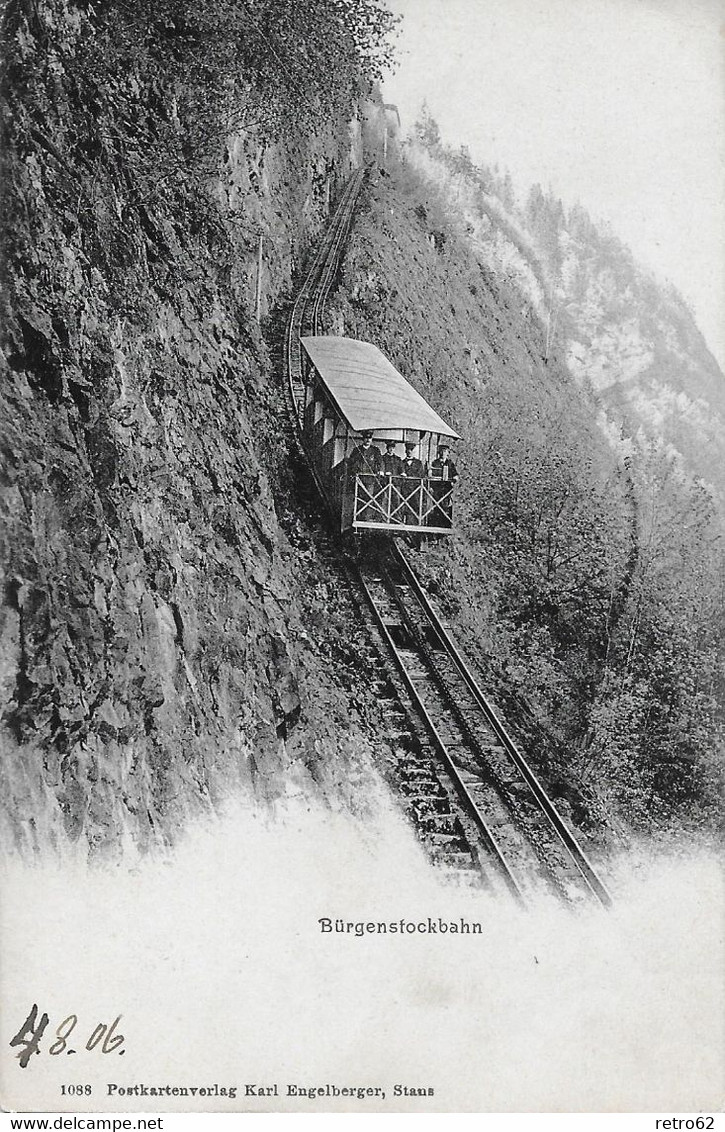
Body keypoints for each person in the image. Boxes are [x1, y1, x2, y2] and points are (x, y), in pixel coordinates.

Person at [430, 443, 458, 527]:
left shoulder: (450, 463)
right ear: (439, 452)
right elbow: (431, 475)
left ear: (448, 453)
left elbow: (455, 475)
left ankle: (445, 524)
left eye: (445, 451)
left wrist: (453, 480)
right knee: (436, 506)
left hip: (446, 489)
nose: (443, 453)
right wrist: (431, 486)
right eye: (441, 451)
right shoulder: (435, 463)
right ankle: (436, 525)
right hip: (437, 489)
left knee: (445, 506)